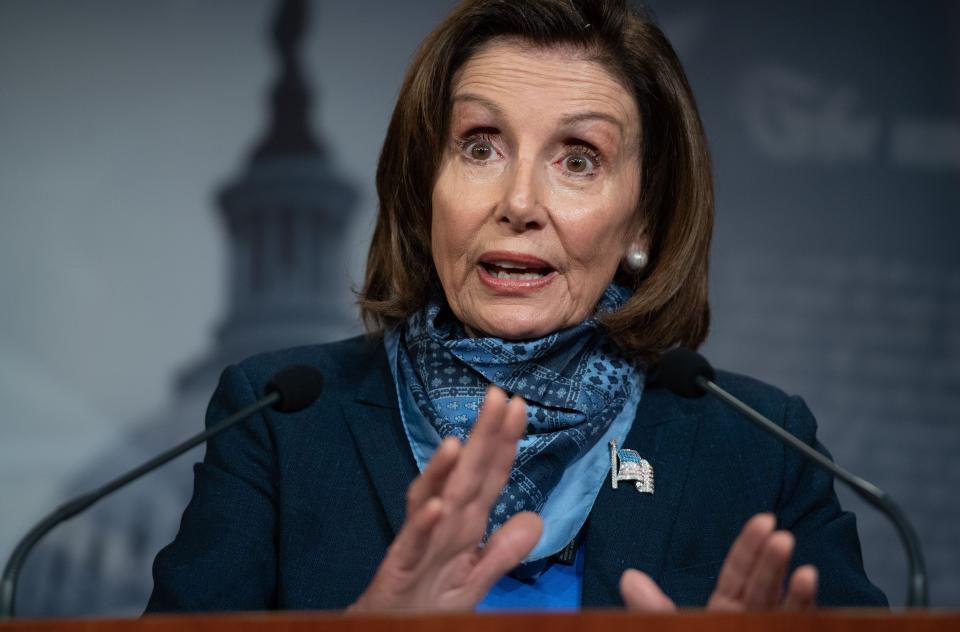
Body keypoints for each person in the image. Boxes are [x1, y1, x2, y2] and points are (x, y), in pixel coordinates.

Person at [146, 0, 886, 612]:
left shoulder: (762, 450)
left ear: (643, 221)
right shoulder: (280, 424)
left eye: (578, 159)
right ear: (422, 185)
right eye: (480, 146)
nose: (520, 202)